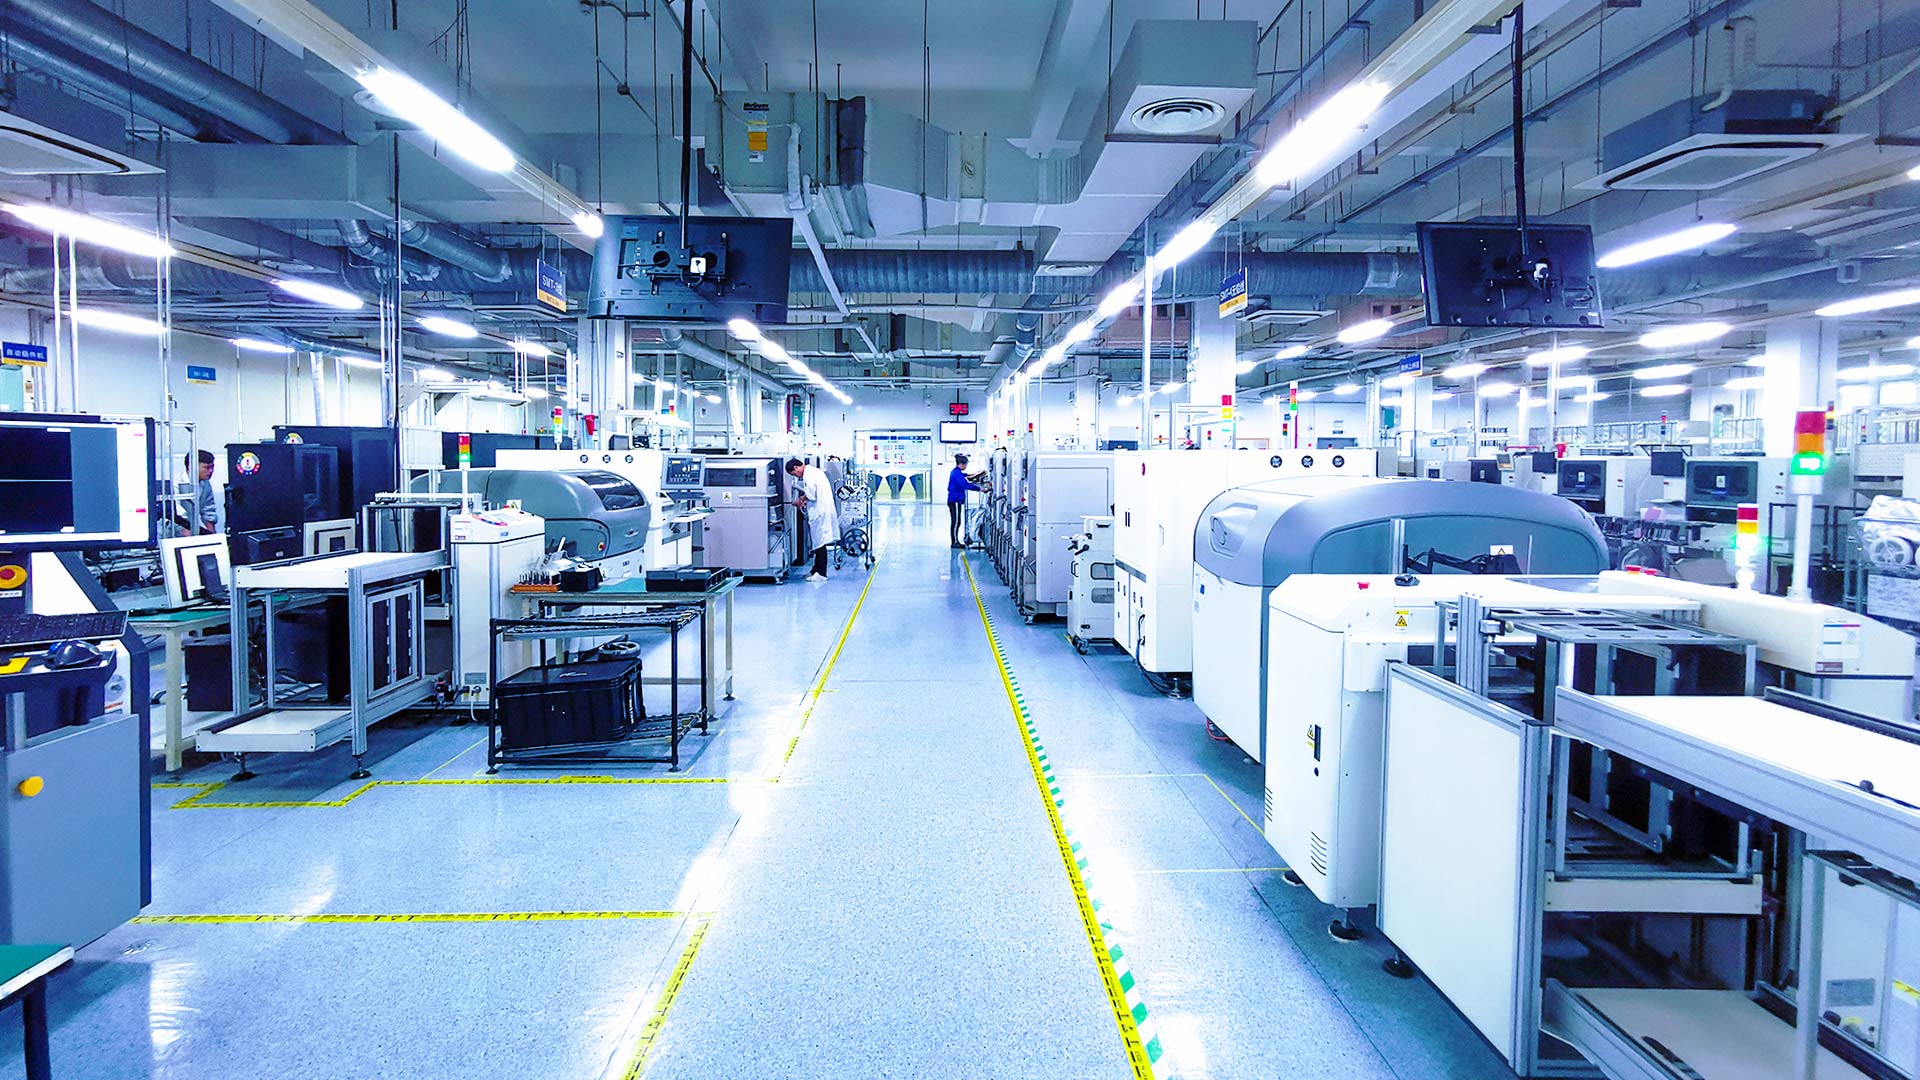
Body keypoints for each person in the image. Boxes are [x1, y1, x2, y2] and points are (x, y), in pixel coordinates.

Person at [786, 457, 838, 581]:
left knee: (820, 543)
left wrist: (800, 500)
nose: (797, 476)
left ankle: (821, 573)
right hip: (821, 510)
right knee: (817, 542)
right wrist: (803, 500)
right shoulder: (814, 471)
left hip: (820, 512)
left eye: (794, 474)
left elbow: (811, 495)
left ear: (796, 467)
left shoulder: (808, 475)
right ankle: (815, 569)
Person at [946, 453, 982, 549]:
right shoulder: (956, 473)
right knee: (956, 522)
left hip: (956, 499)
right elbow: (965, 485)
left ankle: (955, 541)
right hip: (955, 500)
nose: (966, 466)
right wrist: (979, 489)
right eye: (966, 464)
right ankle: (954, 542)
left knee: (957, 521)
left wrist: (968, 475)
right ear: (961, 464)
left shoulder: (956, 472)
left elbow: (962, 476)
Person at [187, 450, 217, 535]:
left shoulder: (205, 483)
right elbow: (178, 518)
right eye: (206, 467)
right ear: (192, 466)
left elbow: (209, 511)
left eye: (212, 467)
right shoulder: (176, 484)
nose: (211, 471)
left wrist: (213, 536)